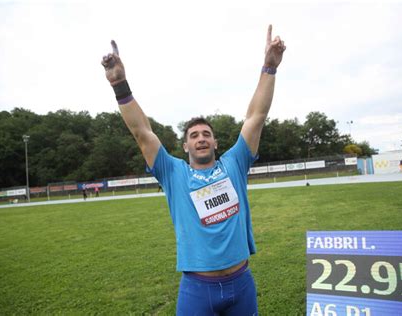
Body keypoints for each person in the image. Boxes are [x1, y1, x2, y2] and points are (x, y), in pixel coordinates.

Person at [101, 25, 286, 315]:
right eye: (194, 135)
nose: (201, 138)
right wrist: (119, 84)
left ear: (216, 142)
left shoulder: (234, 163)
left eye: (206, 134)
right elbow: (143, 133)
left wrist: (270, 67)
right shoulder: (173, 173)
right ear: (185, 146)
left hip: (242, 284)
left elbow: (256, 117)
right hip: (198, 290)